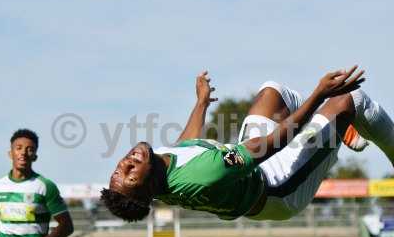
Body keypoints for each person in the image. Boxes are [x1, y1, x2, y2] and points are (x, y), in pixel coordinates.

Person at [101, 66, 394, 222]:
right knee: (350, 99)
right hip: (278, 187)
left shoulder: (157, 164)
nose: (127, 162)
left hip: (251, 174)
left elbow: (185, 146)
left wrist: (201, 103)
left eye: (119, 169)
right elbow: (274, 143)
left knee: (272, 91)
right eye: (130, 174)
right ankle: (342, 123)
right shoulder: (204, 173)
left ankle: (336, 130)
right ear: (148, 186)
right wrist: (320, 93)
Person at [0, 129, 74, 237]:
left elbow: (67, 227)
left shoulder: (45, 186)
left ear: (35, 156)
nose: (23, 152)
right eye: (18, 148)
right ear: (10, 153)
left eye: (29, 149)